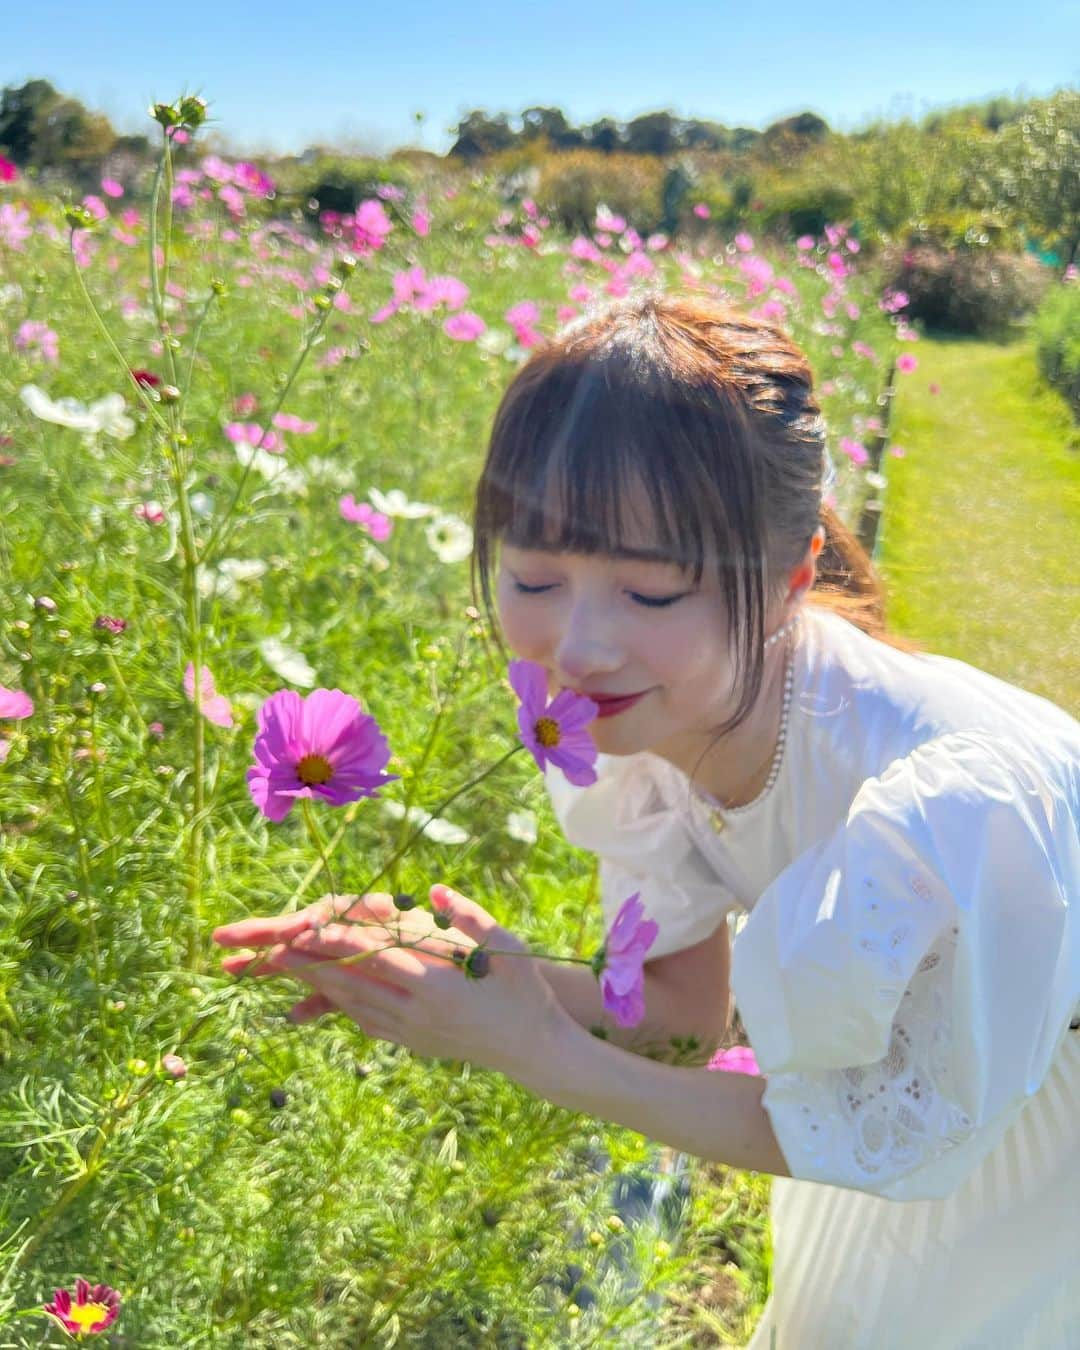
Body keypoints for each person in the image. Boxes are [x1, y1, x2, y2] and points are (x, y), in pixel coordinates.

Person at [214, 295, 1080, 1350]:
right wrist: (474, 976)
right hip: (921, 1133)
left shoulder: (948, 788)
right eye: (534, 576)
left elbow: (886, 1130)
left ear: (793, 577)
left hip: (1035, 1151)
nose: (577, 647)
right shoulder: (649, 725)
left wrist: (537, 1052)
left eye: (653, 593)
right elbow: (683, 1017)